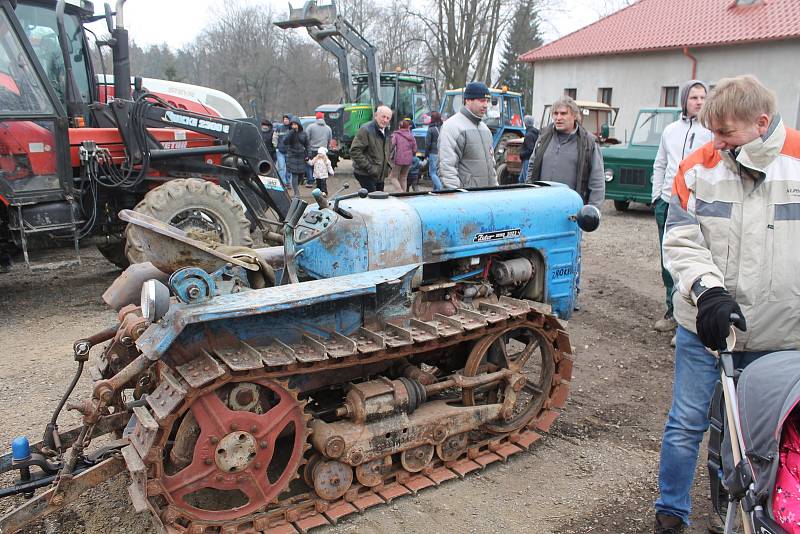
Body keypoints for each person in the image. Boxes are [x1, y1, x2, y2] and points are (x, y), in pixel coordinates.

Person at [653, 75, 800, 534]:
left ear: (760, 123)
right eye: (710, 131)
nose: (715, 142)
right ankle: (671, 513)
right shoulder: (698, 167)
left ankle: (763, 514)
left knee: (767, 437)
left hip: (782, 335)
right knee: (687, 423)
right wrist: (708, 290)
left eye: (726, 133)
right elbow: (680, 240)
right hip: (708, 326)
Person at [651, 81, 713, 338]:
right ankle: (672, 311)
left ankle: (693, 320)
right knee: (669, 260)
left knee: (693, 259)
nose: (699, 102)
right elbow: (660, 164)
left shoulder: (711, 131)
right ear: (685, 100)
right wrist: (656, 197)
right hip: (668, 200)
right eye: (694, 97)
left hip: (696, 203)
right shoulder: (671, 130)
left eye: (703, 97)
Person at [526, 96, 605, 208]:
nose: (558, 118)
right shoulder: (543, 137)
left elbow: (597, 181)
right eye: (555, 113)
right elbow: (531, 167)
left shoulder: (589, 143)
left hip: (572, 210)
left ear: (574, 116)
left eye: (563, 113)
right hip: (541, 206)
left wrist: (592, 210)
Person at [438, 82, 498, 188]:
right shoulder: (453, 127)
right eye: (481, 100)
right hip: (467, 200)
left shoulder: (486, 130)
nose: (485, 105)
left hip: (486, 198)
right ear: (468, 100)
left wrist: (495, 191)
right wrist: (456, 197)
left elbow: (492, 167)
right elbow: (447, 168)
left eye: (487, 101)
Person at [350, 105, 393, 192]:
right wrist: (369, 167)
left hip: (379, 174)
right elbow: (355, 151)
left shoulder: (387, 132)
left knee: (379, 199)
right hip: (366, 174)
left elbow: (388, 151)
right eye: (383, 116)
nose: (385, 120)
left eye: (388, 118)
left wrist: (388, 166)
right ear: (376, 115)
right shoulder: (366, 130)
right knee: (373, 200)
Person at [386, 118, 417, 192]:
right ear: (408, 127)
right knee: (403, 177)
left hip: (398, 159)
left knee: (392, 177)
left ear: (399, 127)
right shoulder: (411, 136)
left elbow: (391, 145)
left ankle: (400, 191)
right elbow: (415, 149)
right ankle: (404, 194)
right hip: (409, 160)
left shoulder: (396, 135)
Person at [305, 111, 333, 187]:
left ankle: (310, 180)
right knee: (322, 167)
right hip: (323, 151)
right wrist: (326, 148)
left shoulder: (310, 127)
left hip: (312, 149)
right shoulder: (328, 128)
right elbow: (329, 140)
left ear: (316, 117)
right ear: (323, 118)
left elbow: (306, 138)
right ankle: (321, 181)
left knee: (309, 165)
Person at [284, 115, 308, 197]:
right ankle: (296, 192)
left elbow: (307, 145)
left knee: (301, 174)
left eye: (295, 124)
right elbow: (285, 141)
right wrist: (291, 132)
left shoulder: (304, 134)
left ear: (298, 124)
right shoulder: (289, 133)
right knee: (294, 174)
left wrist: (308, 155)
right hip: (292, 156)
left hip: (301, 155)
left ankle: (296, 187)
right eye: (292, 124)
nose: (293, 126)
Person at [425, 111, 443, 191]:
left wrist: (426, 154)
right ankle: (435, 191)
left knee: (432, 173)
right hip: (442, 153)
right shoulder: (443, 128)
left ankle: (440, 188)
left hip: (433, 153)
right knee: (438, 173)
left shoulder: (431, 129)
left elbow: (427, 143)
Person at [518, 115, 539, 183]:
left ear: (525, 123)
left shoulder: (528, 135)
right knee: (521, 180)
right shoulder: (536, 133)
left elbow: (531, 149)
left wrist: (521, 154)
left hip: (527, 159)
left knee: (526, 180)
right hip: (532, 159)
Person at [275, 115, 292, 186]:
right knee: (281, 167)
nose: (285, 120)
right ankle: (283, 182)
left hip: (289, 151)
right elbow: (275, 137)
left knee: (289, 168)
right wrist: (276, 146)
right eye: (284, 119)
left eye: (287, 119)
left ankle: (288, 182)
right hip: (280, 151)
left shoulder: (292, 128)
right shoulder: (279, 128)